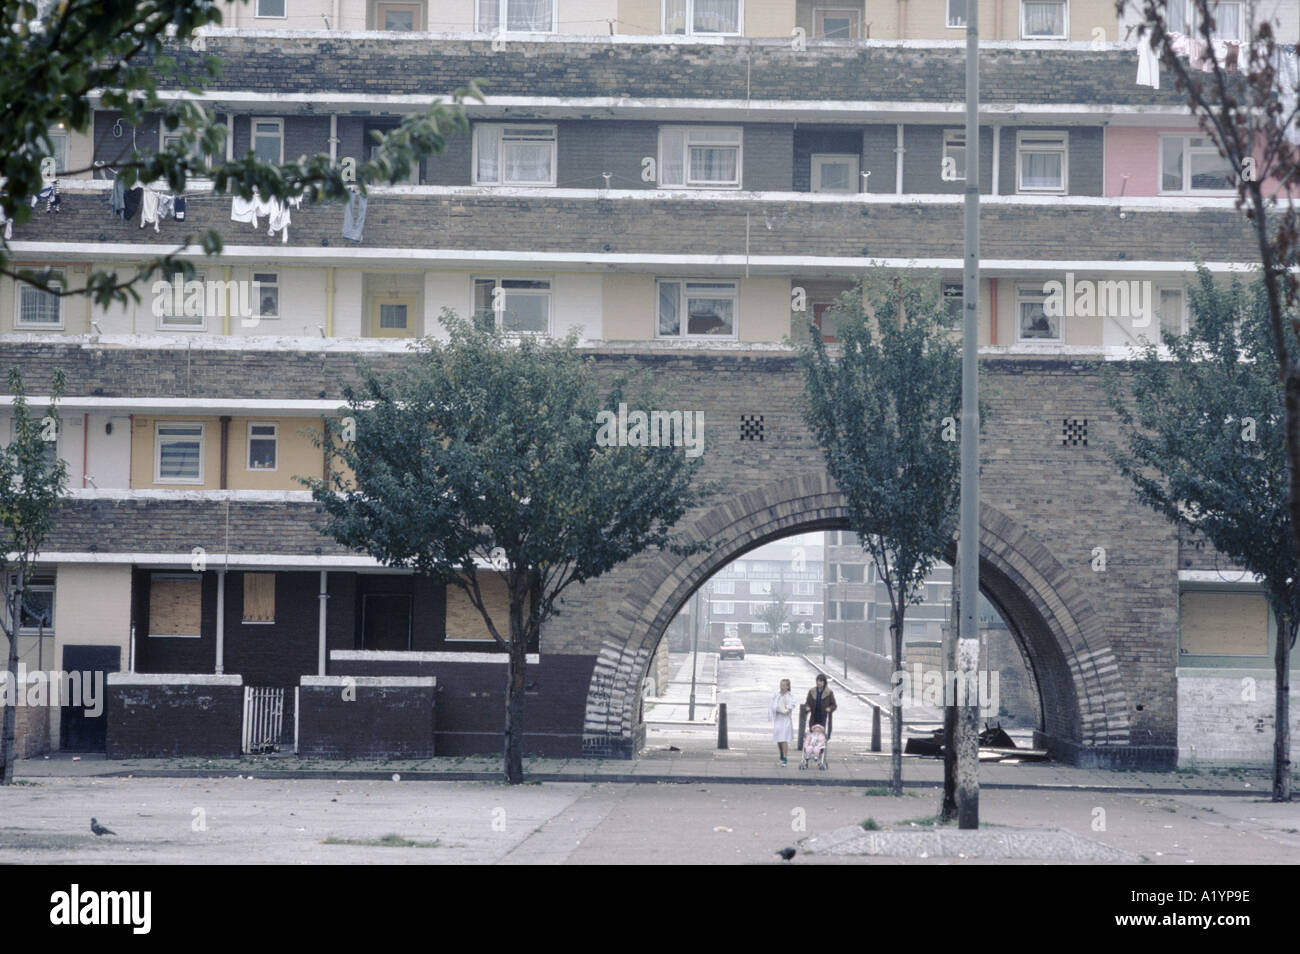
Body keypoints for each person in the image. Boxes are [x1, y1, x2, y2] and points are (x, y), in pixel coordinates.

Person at [770, 678, 796, 765]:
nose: (782, 687)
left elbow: (789, 708)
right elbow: (772, 705)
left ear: (788, 687)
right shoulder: (776, 695)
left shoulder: (790, 697)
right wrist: (775, 709)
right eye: (781, 685)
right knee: (778, 739)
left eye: (784, 685)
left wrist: (785, 709)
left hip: (785, 720)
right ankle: (781, 755)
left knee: (784, 738)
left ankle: (785, 757)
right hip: (778, 719)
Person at [805, 674, 838, 741]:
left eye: (821, 681)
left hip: (824, 717)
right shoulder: (812, 691)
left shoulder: (829, 692)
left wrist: (829, 708)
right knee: (813, 734)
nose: (818, 683)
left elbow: (834, 705)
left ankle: (820, 749)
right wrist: (808, 707)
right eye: (817, 681)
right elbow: (807, 703)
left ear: (824, 682)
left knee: (822, 736)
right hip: (814, 716)